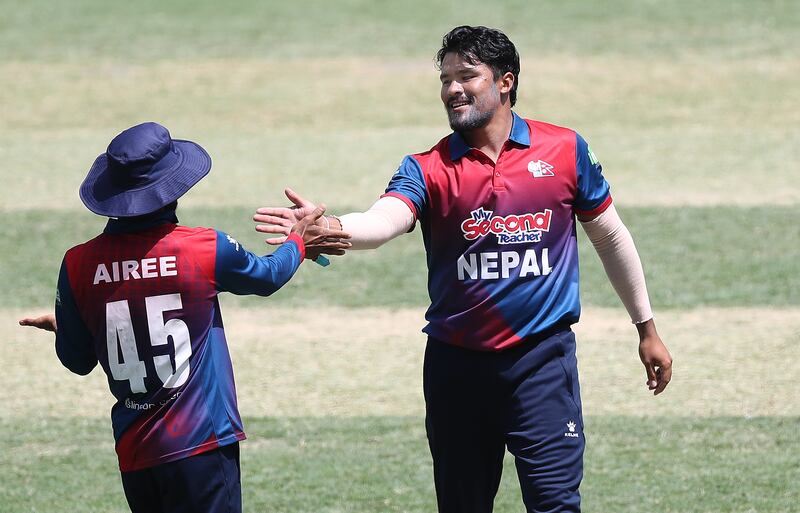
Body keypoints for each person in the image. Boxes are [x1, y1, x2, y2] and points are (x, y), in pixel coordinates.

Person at [253, 25, 672, 513]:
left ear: (505, 82)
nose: (452, 88)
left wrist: (647, 328)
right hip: (456, 368)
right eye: (445, 79)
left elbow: (609, 235)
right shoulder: (425, 166)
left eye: (467, 76)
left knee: (557, 506)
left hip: (542, 362)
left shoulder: (564, 150)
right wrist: (332, 224)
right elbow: (385, 220)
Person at [18, 122, 350, 513]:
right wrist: (299, 241)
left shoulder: (77, 264)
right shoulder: (204, 247)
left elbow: (77, 360)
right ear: (173, 185)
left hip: (136, 455)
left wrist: (75, 329)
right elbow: (268, 277)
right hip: (201, 444)